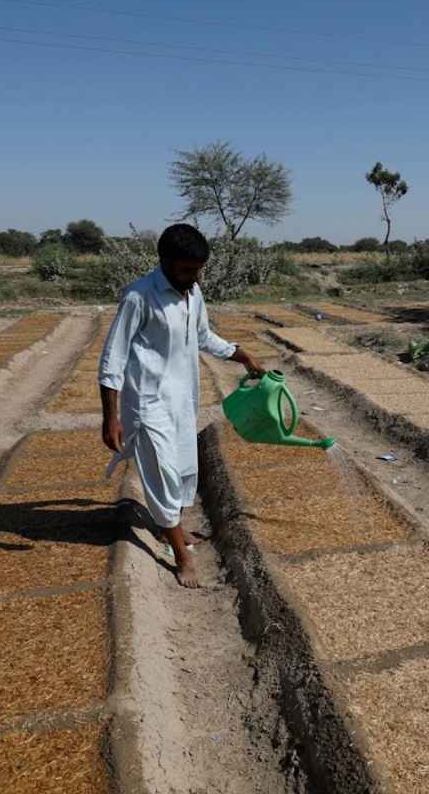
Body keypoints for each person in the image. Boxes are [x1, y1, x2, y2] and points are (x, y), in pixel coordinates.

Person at [98, 224, 266, 588]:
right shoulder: (139, 297)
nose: (196, 276)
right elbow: (112, 360)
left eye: (199, 269)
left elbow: (203, 337)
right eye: (188, 269)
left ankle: (170, 527)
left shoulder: (193, 293)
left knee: (182, 468)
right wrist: (110, 417)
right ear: (164, 262)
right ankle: (181, 555)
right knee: (161, 474)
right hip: (147, 403)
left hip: (182, 399)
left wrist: (243, 355)